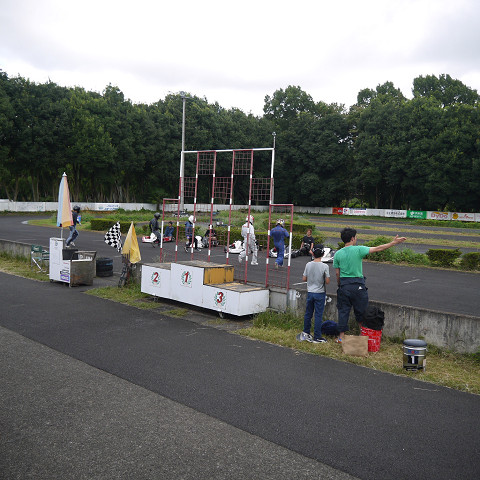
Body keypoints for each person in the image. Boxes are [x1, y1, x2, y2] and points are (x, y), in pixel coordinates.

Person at [333, 227, 406, 343]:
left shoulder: (338, 254)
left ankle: (341, 337)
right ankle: (362, 335)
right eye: (356, 237)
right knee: (361, 311)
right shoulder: (359, 250)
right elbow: (378, 248)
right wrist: (393, 243)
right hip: (358, 285)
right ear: (352, 238)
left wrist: (340, 284)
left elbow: (337, 273)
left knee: (343, 311)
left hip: (344, 285)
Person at [299, 245, 330, 343]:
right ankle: (317, 336)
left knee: (308, 313)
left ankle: (306, 332)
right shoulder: (325, 266)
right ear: (323, 254)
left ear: (312, 253)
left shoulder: (308, 264)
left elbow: (304, 278)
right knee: (318, 315)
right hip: (320, 292)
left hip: (310, 292)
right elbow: (327, 281)